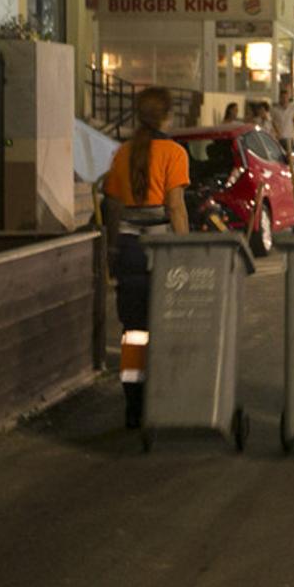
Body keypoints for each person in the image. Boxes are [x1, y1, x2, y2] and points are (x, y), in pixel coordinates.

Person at [101, 88, 190, 430]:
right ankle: (167, 399)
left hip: (128, 251)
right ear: (167, 116)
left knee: (134, 332)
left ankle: (134, 405)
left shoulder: (122, 153)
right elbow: (176, 207)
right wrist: (187, 250)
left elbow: (112, 207)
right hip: (164, 253)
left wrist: (112, 252)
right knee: (169, 326)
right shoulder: (174, 153)